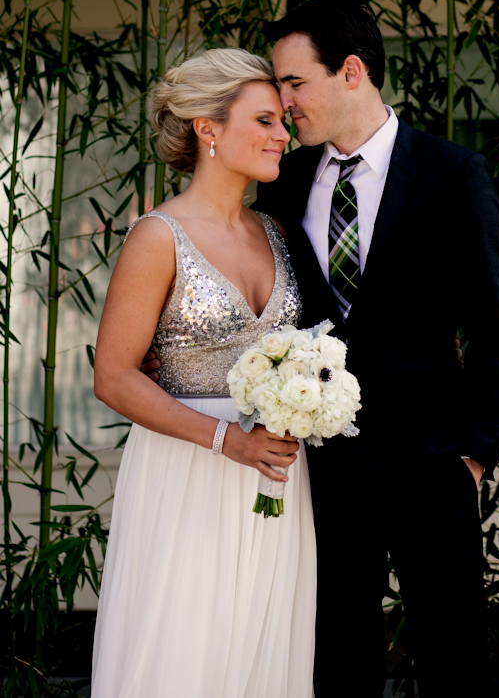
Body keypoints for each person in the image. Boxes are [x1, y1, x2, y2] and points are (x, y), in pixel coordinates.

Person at [253, 0, 499, 698]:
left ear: (351, 71)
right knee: (336, 656)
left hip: (434, 460)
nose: (282, 105)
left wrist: (473, 454)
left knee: (453, 653)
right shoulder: (281, 187)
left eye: (292, 83)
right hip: (327, 468)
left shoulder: (453, 173)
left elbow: (494, 328)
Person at [91, 48, 317, 698]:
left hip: (276, 478)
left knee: (266, 657)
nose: (283, 134)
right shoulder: (158, 235)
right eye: (266, 119)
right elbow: (113, 376)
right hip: (186, 474)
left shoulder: (277, 231)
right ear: (207, 128)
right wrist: (228, 441)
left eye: (284, 121)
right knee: (180, 654)